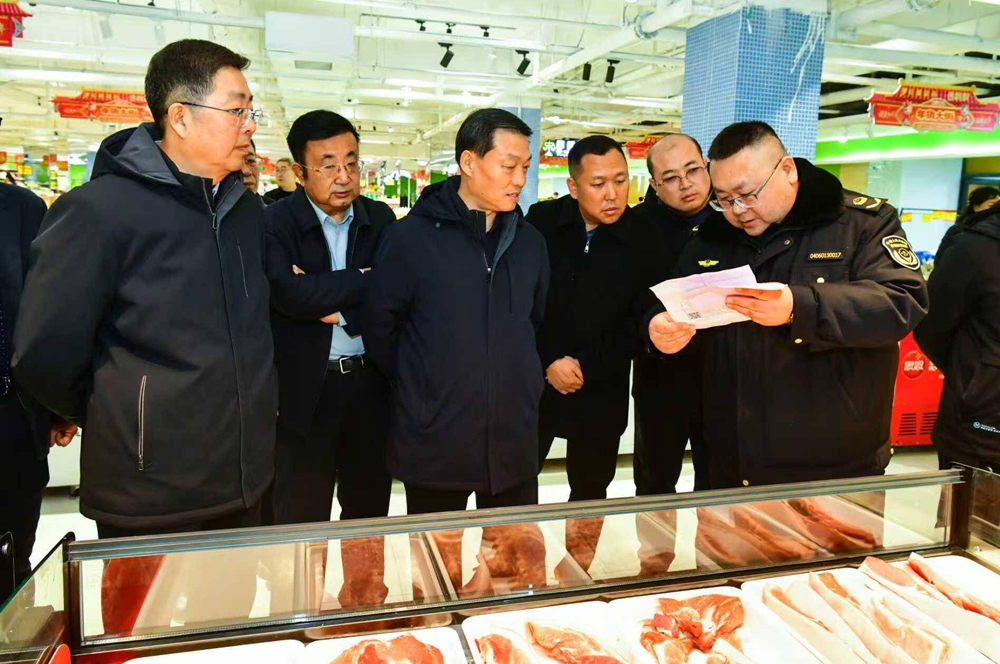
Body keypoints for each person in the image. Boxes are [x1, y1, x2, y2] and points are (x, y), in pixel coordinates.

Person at [13, 39, 277, 537]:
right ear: (180, 118)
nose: (250, 125)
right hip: (148, 492)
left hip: (243, 482)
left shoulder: (245, 211)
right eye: (237, 110)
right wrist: (124, 414)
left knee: (234, 593)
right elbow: (44, 351)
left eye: (251, 111)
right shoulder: (99, 211)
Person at [646, 121, 928, 488]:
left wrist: (799, 307)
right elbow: (671, 305)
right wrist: (658, 329)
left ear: (788, 170)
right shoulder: (712, 238)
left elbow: (903, 301)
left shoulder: (861, 224)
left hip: (835, 464)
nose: (737, 210)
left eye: (747, 194)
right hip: (730, 462)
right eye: (723, 199)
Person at [365, 108, 550, 515]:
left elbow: (533, 323)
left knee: (511, 553)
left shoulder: (531, 243)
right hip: (436, 443)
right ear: (468, 162)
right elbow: (380, 330)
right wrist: (426, 385)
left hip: (512, 444)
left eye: (525, 167)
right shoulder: (409, 239)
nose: (520, 179)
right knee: (436, 552)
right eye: (508, 166)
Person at [264, 110, 394, 524]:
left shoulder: (380, 220)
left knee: (367, 519)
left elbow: (393, 296)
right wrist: (363, 279)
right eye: (328, 166)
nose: (344, 177)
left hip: (370, 387)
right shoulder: (274, 223)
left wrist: (338, 310)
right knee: (301, 523)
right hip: (304, 393)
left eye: (351, 163)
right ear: (299, 172)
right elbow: (290, 295)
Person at [527, 135, 658, 501]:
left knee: (590, 494)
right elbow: (522, 301)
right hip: (538, 383)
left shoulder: (644, 235)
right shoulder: (541, 223)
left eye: (620, 180)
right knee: (514, 484)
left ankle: (581, 544)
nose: (612, 194)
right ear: (573, 187)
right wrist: (549, 359)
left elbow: (639, 319)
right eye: (598, 184)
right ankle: (512, 544)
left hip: (602, 387)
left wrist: (585, 365)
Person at [0, 182, 77, 603]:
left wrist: (58, 406)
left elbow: (48, 311)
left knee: (11, 562)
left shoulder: (22, 209)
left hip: (13, 418)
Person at [631, 134, 720, 495]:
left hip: (723, 376)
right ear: (654, 185)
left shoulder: (734, 219)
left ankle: (714, 537)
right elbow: (620, 304)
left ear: (706, 167)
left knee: (719, 485)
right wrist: (648, 327)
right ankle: (654, 538)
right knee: (654, 485)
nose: (685, 184)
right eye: (670, 178)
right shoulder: (634, 229)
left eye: (693, 170)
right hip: (660, 378)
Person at [915, 206, 1000, 478]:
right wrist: (975, 375)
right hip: (981, 427)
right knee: (971, 504)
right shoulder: (975, 248)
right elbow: (930, 326)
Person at [937, 186, 1000, 259]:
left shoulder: (996, 230)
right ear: (976, 207)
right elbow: (940, 259)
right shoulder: (959, 230)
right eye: (992, 206)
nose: (995, 210)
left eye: (998, 207)